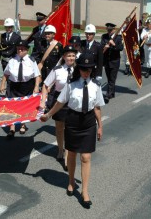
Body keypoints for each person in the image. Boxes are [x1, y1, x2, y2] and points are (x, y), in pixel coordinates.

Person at [41, 53, 105, 209]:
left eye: (89, 69)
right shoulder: (71, 85)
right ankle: (71, 181)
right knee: (73, 154)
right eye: (83, 68)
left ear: (92, 70)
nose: (86, 72)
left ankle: (84, 191)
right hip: (73, 121)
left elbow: (97, 107)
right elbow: (60, 102)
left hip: (88, 122)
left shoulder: (95, 85)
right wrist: (48, 115)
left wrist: (100, 126)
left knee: (86, 157)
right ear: (79, 68)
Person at [40, 45, 76, 169]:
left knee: (69, 129)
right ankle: (60, 149)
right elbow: (45, 85)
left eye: (73, 55)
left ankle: (67, 155)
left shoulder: (79, 69)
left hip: (73, 102)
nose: (71, 58)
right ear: (64, 56)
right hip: (59, 101)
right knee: (60, 128)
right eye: (68, 55)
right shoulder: (57, 70)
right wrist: (43, 102)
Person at [1, 40, 40, 139]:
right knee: (11, 106)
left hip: (27, 86)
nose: (20, 50)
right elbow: (6, 74)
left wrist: (36, 87)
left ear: (27, 50)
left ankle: (23, 125)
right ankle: (12, 127)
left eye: (22, 49)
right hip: (13, 86)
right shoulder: (12, 60)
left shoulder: (32, 60)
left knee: (24, 106)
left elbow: (37, 75)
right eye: (18, 48)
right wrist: (2, 85)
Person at [0, 18, 22, 95]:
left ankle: (10, 93)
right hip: (4, 61)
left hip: (13, 60)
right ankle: (9, 93)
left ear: (12, 27)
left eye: (10, 27)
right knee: (6, 78)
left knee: (12, 78)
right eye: (6, 27)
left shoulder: (16, 37)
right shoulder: (2, 36)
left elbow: (19, 50)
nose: (8, 28)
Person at [101, 22, 124, 101]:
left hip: (114, 61)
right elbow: (102, 45)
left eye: (110, 30)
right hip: (106, 61)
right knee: (109, 78)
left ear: (114, 30)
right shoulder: (104, 36)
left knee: (112, 78)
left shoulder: (118, 37)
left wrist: (113, 44)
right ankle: (112, 93)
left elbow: (121, 48)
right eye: (108, 30)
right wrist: (105, 46)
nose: (109, 32)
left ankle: (108, 94)